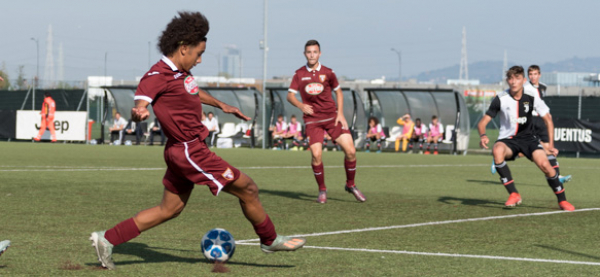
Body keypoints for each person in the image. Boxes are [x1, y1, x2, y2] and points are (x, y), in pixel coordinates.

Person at [89, 11, 305, 270]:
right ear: (183, 49)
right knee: (248, 189)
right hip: (189, 151)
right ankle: (269, 239)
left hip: (183, 151)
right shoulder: (157, 75)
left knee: (169, 210)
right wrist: (139, 111)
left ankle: (107, 239)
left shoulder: (179, 73)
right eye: (198, 53)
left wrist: (222, 105)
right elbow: (142, 99)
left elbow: (192, 91)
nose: (200, 60)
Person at [477, 65, 574, 211]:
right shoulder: (500, 98)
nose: (513, 82)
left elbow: (548, 119)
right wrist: (483, 135)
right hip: (507, 140)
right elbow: (483, 122)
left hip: (529, 139)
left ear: (523, 80)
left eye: (517, 78)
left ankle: (562, 201)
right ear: (507, 81)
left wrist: (551, 145)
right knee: (497, 150)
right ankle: (514, 194)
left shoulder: (531, 97)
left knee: (546, 166)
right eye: (510, 79)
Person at [287, 39, 365, 204]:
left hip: (332, 117)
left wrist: (341, 114)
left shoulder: (328, 72)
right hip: (313, 121)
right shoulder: (299, 74)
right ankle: (322, 189)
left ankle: (351, 185)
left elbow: (339, 92)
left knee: (351, 151)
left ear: (320, 53)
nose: (312, 55)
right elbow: (290, 96)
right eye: (309, 52)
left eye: (315, 52)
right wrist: (301, 105)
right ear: (304, 54)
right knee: (316, 155)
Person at [524, 65, 572, 184]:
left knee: (548, 149)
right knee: (532, 149)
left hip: (541, 121)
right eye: (530, 74)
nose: (533, 77)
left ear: (539, 75)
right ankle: (500, 157)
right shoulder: (526, 88)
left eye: (535, 74)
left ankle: (557, 176)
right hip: (531, 121)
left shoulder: (542, 87)